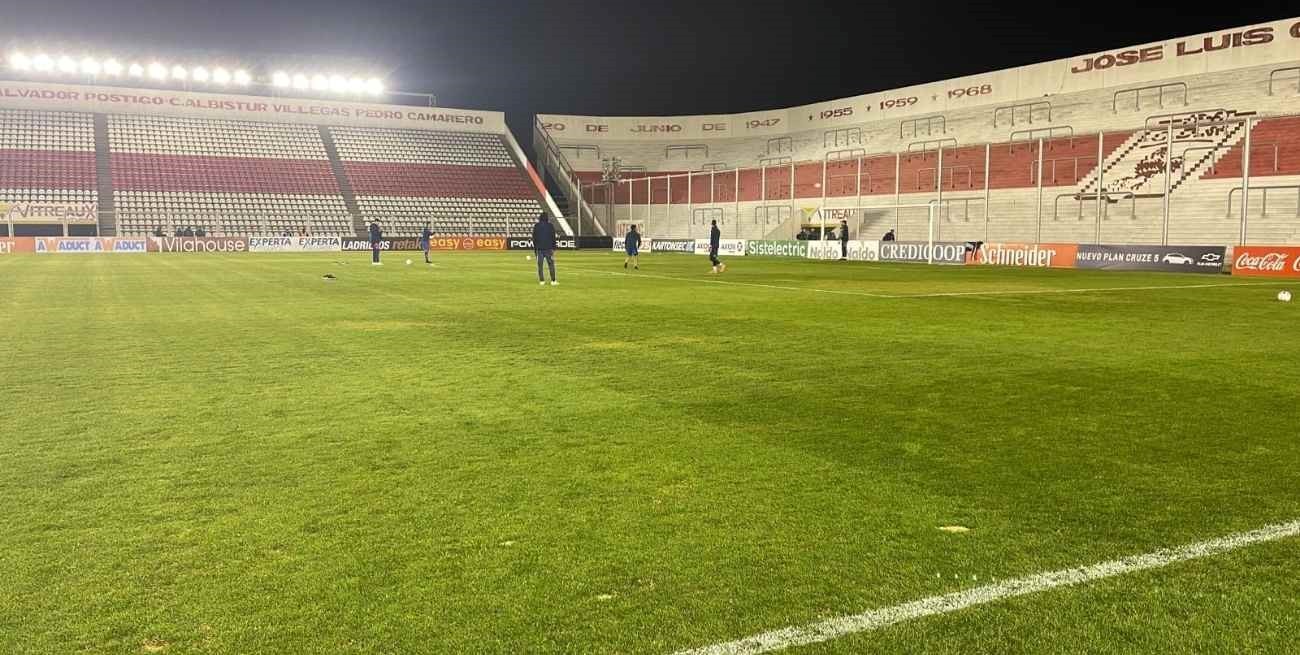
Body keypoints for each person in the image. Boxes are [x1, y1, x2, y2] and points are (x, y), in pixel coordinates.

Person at [532, 214, 558, 286]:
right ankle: (553, 281)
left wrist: (535, 249)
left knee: (540, 265)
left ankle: (542, 281)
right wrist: (554, 248)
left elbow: (534, 238)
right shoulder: (550, 226)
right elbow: (553, 237)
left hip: (539, 249)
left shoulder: (536, 226)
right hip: (549, 249)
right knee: (551, 265)